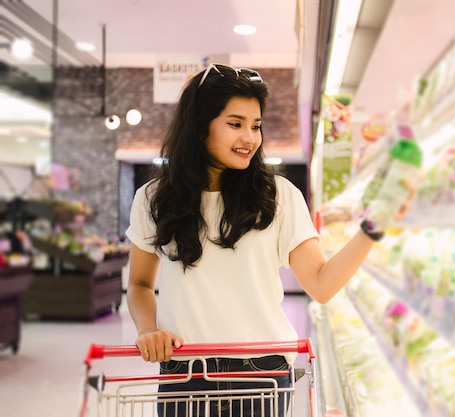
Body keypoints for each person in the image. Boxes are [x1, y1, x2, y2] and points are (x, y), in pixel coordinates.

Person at [125, 63, 400, 417]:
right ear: (199, 126)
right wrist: (148, 329)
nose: (250, 138)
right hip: (184, 375)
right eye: (235, 124)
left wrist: (373, 227)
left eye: (255, 126)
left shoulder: (278, 196)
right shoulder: (153, 199)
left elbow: (321, 284)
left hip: (261, 377)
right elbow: (139, 284)